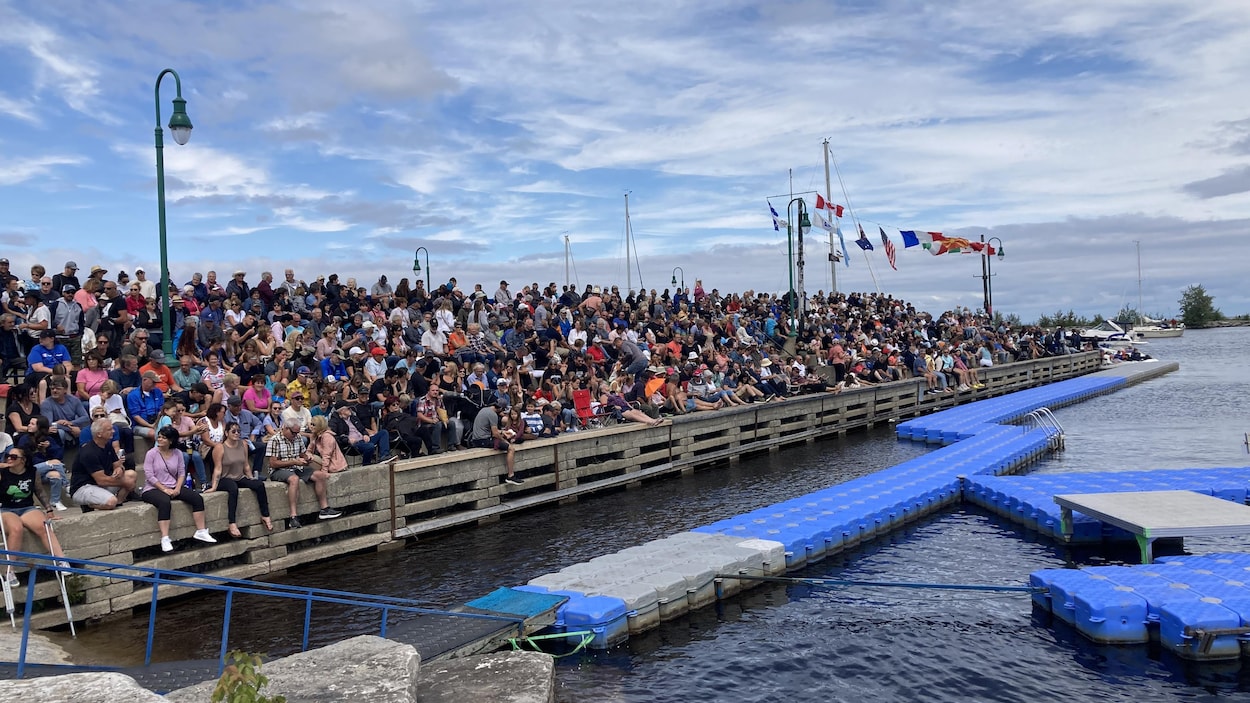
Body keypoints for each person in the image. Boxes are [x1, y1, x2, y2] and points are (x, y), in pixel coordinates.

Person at [142, 426, 217, 552]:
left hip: (173, 485)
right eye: (159, 437)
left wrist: (177, 488)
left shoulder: (177, 453)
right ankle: (165, 538)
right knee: (164, 502)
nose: (160, 439)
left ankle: (201, 531)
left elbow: (182, 472)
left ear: (171, 440)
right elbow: (149, 475)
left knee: (197, 498)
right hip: (153, 488)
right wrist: (164, 489)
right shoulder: (151, 453)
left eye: (163, 438)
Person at [1, 446, 66, 586]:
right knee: (16, 528)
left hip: (27, 508)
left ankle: (61, 560)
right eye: (7, 456)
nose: (9, 459)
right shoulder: (2, 472)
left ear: (23, 460)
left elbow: (39, 491)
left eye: (13, 457)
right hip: (7, 509)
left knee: (43, 526)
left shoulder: (32, 471)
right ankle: (9, 570)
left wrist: (49, 510)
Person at [267, 418, 341, 528]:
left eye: (297, 432)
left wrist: (307, 459)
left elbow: (302, 454)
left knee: (320, 475)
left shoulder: (297, 438)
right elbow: (273, 463)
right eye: (293, 432)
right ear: (286, 428)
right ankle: (293, 516)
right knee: (294, 479)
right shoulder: (275, 440)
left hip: (296, 467)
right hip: (279, 470)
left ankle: (324, 509)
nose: (296, 435)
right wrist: (294, 461)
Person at [208, 421, 273, 537]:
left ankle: (265, 515)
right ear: (227, 433)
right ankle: (232, 523)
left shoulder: (243, 444)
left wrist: (251, 478)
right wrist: (213, 486)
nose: (236, 433)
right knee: (233, 489)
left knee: (259, 485)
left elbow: (246, 465)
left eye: (238, 431)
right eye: (233, 431)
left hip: (239, 476)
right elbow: (217, 469)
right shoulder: (220, 447)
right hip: (225, 478)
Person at [70, 417, 137, 510]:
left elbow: (118, 464)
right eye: (109, 429)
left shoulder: (107, 445)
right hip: (83, 487)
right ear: (99, 434)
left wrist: (119, 469)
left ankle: (118, 502)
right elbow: (101, 480)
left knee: (131, 475)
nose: (113, 431)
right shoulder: (89, 452)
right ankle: (89, 504)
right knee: (111, 502)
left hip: (101, 484)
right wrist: (124, 482)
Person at [469, 397, 521, 485]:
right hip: (483, 440)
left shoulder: (484, 410)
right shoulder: (493, 415)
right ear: (500, 408)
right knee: (511, 448)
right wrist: (505, 441)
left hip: (476, 439)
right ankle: (511, 476)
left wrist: (503, 432)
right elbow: (495, 434)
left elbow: (489, 429)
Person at [127, 371, 166, 440]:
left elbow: (162, 409)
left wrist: (158, 422)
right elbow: (136, 416)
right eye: (153, 382)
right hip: (139, 425)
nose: (155, 385)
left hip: (157, 421)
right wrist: (150, 426)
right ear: (144, 380)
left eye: (155, 383)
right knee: (154, 433)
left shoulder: (158, 392)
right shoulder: (133, 395)